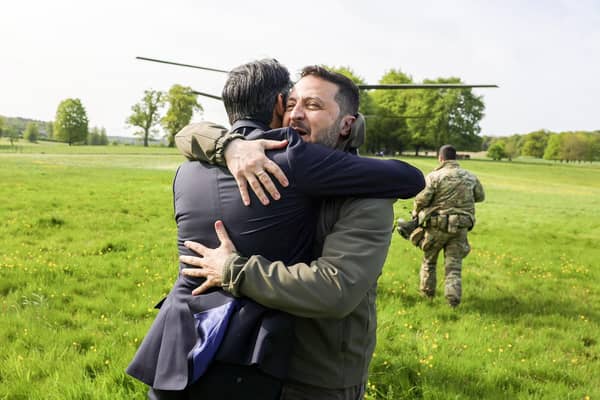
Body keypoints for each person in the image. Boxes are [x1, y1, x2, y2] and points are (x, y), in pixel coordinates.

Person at [127, 60, 425, 400]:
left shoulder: (365, 194)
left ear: (347, 124)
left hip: (313, 373)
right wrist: (230, 145)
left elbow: (336, 288)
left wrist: (233, 269)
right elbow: (188, 133)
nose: (296, 114)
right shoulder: (267, 157)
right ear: (279, 106)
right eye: (293, 103)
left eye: (312, 106)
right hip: (250, 360)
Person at [411, 144, 485, 307]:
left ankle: (427, 295)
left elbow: (421, 199)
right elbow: (480, 196)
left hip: (437, 226)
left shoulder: (434, 177)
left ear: (440, 158)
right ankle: (453, 300)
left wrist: (416, 213)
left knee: (429, 262)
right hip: (460, 227)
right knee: (454, 267)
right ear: (455, 157)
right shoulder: (470, 177)